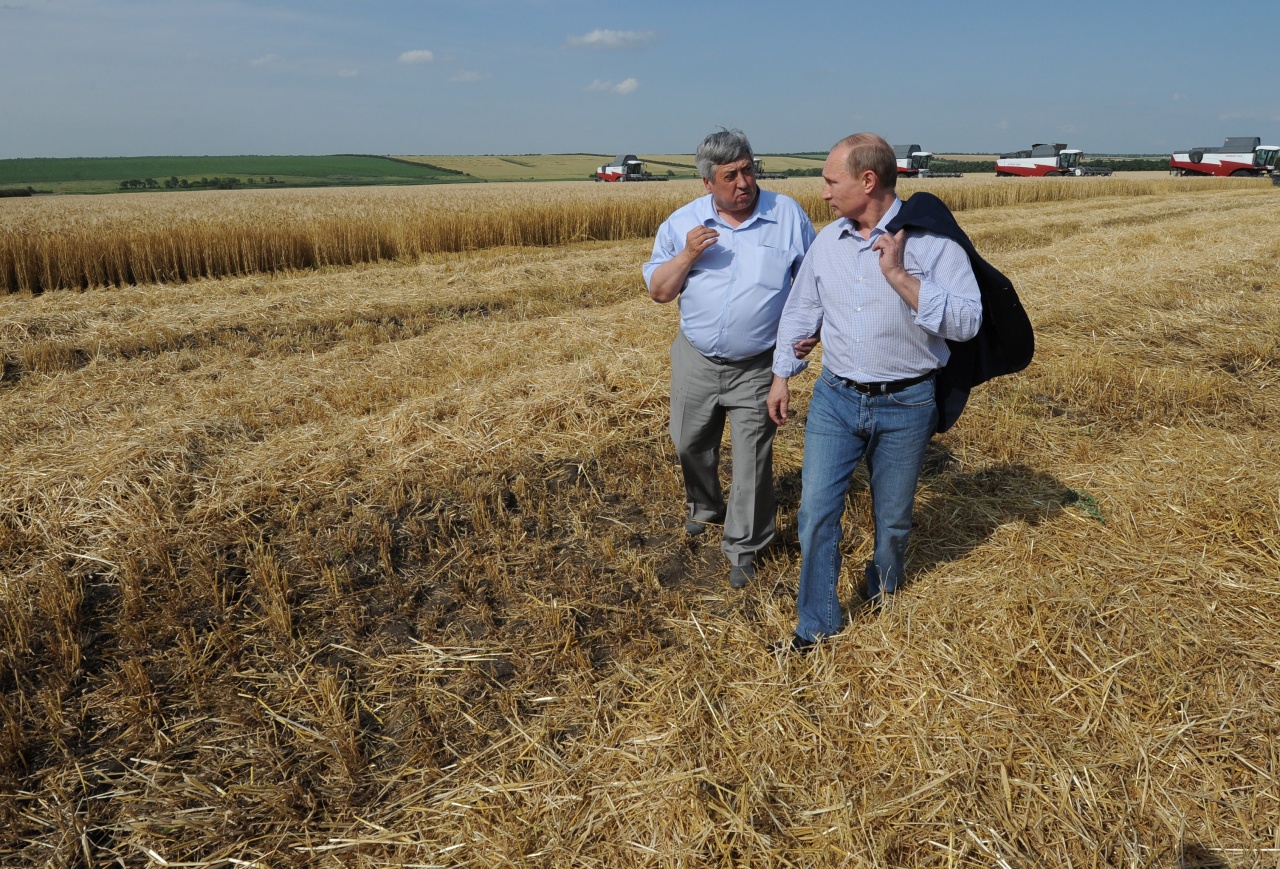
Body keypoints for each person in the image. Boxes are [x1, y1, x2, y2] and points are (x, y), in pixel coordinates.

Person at [767, 133, 983, 650]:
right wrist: (781, 374)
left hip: (907, 403)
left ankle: (883, 587)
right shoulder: (826, 242)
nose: (823, 193)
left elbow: (969, 321)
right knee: (817, 511)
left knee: (893, 520)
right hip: (836, 398)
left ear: (867, 181)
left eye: (830, 181)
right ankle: (816, 626)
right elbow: (801, 310)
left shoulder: (933, 243)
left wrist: (898, 276)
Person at [643, 129, 816, 589]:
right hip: (696, 358)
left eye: (748, 169)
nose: (744, 182)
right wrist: (688, 254)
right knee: (687, 442)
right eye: (730, 176)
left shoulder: (787, 216)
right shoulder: (683, 224)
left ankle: (745, 546)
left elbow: (810, 286)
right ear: (707, 183)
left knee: (753, 463)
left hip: (758, 364)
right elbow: (660, 292)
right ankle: (705, 505)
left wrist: (806, 336)